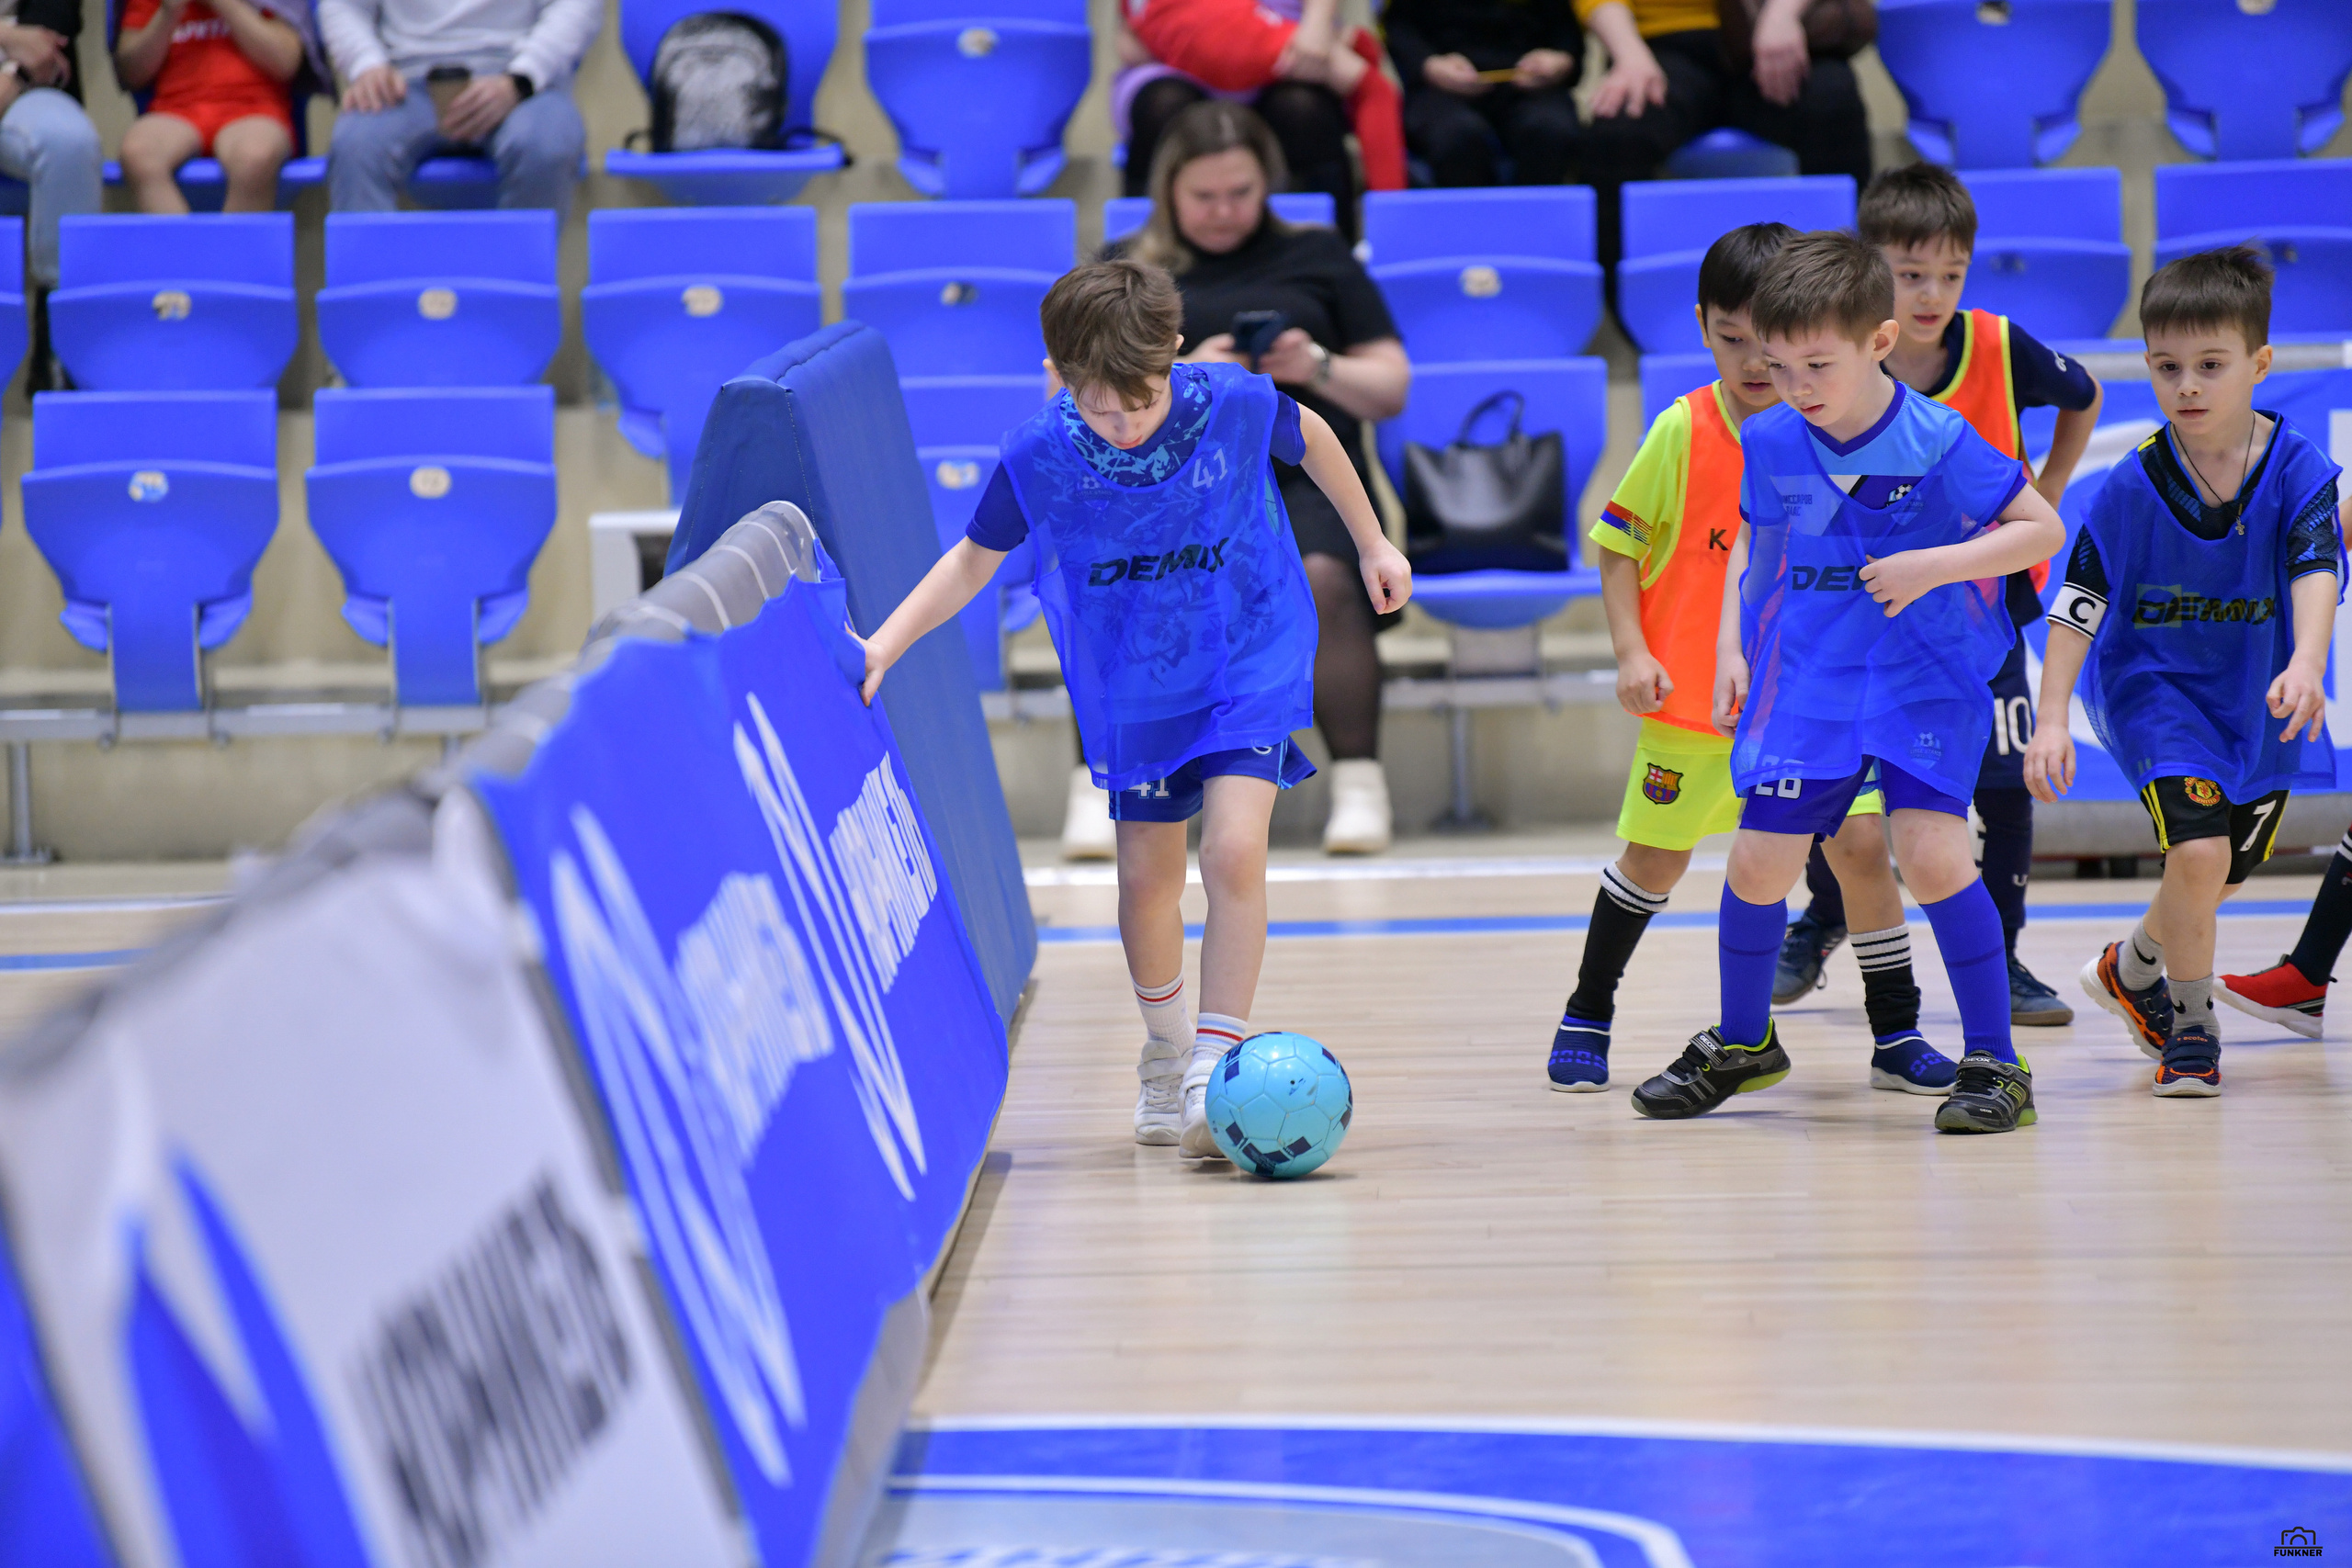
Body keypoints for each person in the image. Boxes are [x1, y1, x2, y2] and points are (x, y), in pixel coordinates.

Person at [856, 258, 1410, 1159]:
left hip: (1246, 657)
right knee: (1146, 883)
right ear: (1057, 377)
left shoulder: (1230, 401)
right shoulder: (1037, 453)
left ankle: (1214, 1069)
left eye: (1139, 402)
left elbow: (1311, 435)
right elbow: (970, 561)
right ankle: (1166, 1051)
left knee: (1234, 851)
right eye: (1096, 405)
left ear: (1174, 356)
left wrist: (1373, 541)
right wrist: (883, 643)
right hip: (1140, 684)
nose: (1119, 423)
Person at [1632, 231, 2065, 1134]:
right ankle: (1744, 1042)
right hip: (1811, 677)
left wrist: (1934, 566)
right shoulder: (1771, 438)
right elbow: (1755, 543)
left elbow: (2039, 530)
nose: (1793, 384)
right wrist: (1730, 649)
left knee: (1933, 853)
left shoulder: (1941, 440)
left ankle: (1994, 1059)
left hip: (1922, 678)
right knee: (1756, 861)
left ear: (1879, 340)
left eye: (1815, 363)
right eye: (1775, 362)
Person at [1546, 222, 1949, 1099]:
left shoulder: (1854, 436)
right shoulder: (1681, 431)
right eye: (1734, 340)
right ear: (1705, 328)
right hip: (1695, 708)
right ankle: (1588, 1008)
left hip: (1820, 710)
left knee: (1864, 847)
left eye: (1772, 344)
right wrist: (1631, 650)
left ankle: (1897, 1028)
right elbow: (1619, 546)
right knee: (1653, 859)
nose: (1757, 363)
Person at [1776, 164, 2105, 1028]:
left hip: (1976, 609)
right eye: (1910, 273)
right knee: (1837, 778)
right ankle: (1823, 917)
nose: (1930, 293)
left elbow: (2084, 394)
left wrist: (2054, 481)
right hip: (1860, 608)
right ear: (1868, 270)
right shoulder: (1825, 369)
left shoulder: (1997, 346)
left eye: (1949, 274)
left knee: (2001, 780)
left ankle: (2003, 952)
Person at [2027, 246, 2343, 1100]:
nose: (2188, 386)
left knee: (2216, 874)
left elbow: (2319, 565)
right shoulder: (2132, 485)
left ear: (2260, 364)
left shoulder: (2301, 466)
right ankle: (2191, 1026)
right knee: (2200, 855)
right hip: (2153, 690)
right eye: (2167, 368)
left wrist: (2309, 660)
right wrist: (2052, 714)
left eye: (2210, 365)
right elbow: (2078, 599)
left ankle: (2129, 971)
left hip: (2256, 694)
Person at [1066, 100, 1411, 860]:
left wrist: (1315, 366)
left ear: (1268, 186)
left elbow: (1391, 387)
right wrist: (1188, 380)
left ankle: (1358, 781)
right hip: (1167, 485)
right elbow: (1073, 398)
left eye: (1241, 193)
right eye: (1204, 196)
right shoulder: (1128, 266)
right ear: (1169, 191)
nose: (1223, 212)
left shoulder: (1318, 253)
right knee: (1117, 583)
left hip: (1301, 476)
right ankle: (1101, 785)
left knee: (1322, 575)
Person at [1577, 0, 1871, 270]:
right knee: (1616, 133)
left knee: (1834, 100)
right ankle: (1628, 303)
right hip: (1659, 47)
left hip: (1765, 34)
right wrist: (1629, 54)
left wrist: (1781, 15)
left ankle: (1845, 283)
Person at [317, 0, 594, 215]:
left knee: (546, 146)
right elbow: (343, 7)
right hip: (405, 79)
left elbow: (577, 7)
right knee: (354, 146)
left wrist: (522, 78)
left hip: (520, 80)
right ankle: (373, 288)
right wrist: (366, 63)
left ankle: (516, 285)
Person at [1118, 0, 1405, 197]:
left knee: (1304, 108)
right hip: (1203, 51)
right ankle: (1392, 220)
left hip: (1287, 42)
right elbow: (1130, 41)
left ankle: (1365, 230)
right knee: (1161, 106)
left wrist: (1318, 27)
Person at [115, 0, 314, 213]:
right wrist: (168, 13)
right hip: (175, 108)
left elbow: (286, 63)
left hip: (256, 108)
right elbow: (132, 75)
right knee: (138, 153)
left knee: (254, 156)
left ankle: (228, 248)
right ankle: (183, 247)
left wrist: (225, 4)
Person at [0, 0, 103, 385]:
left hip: (28, 81)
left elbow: (52, 22)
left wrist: (16, 76)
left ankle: (60, 332)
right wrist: (7, 35)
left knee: (68, 143)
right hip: (14, 46)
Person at [1382, 0, 1582, 188]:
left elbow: (1565, 26)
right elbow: (1399, 24)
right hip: (1441, 84)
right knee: (1458, 137)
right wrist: (1427, 64)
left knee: (1549, 131)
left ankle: (1536, 223)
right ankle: (1465, 224)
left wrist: (1562, 58)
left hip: (1532, 83)